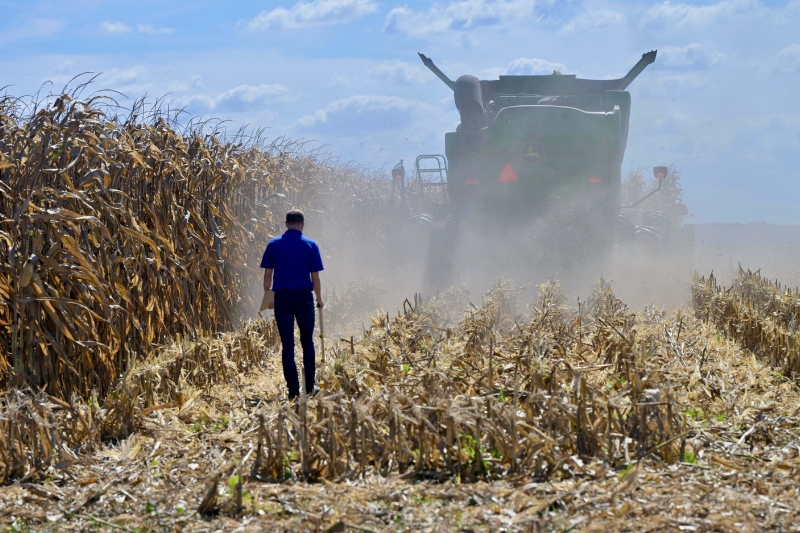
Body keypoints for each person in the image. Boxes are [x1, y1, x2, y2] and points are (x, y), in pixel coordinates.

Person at [261, 209, 324, 401]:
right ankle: (309, 387)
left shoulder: (273, 244)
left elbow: (267, 276)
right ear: (302, 224)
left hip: (283, 299)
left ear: (286, 223)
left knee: (288, 345)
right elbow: (315, 278)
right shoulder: (311, 245)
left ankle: (293, 392)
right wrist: (319, 299)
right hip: (304, 298)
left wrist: (269, 298)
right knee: (307, 342)